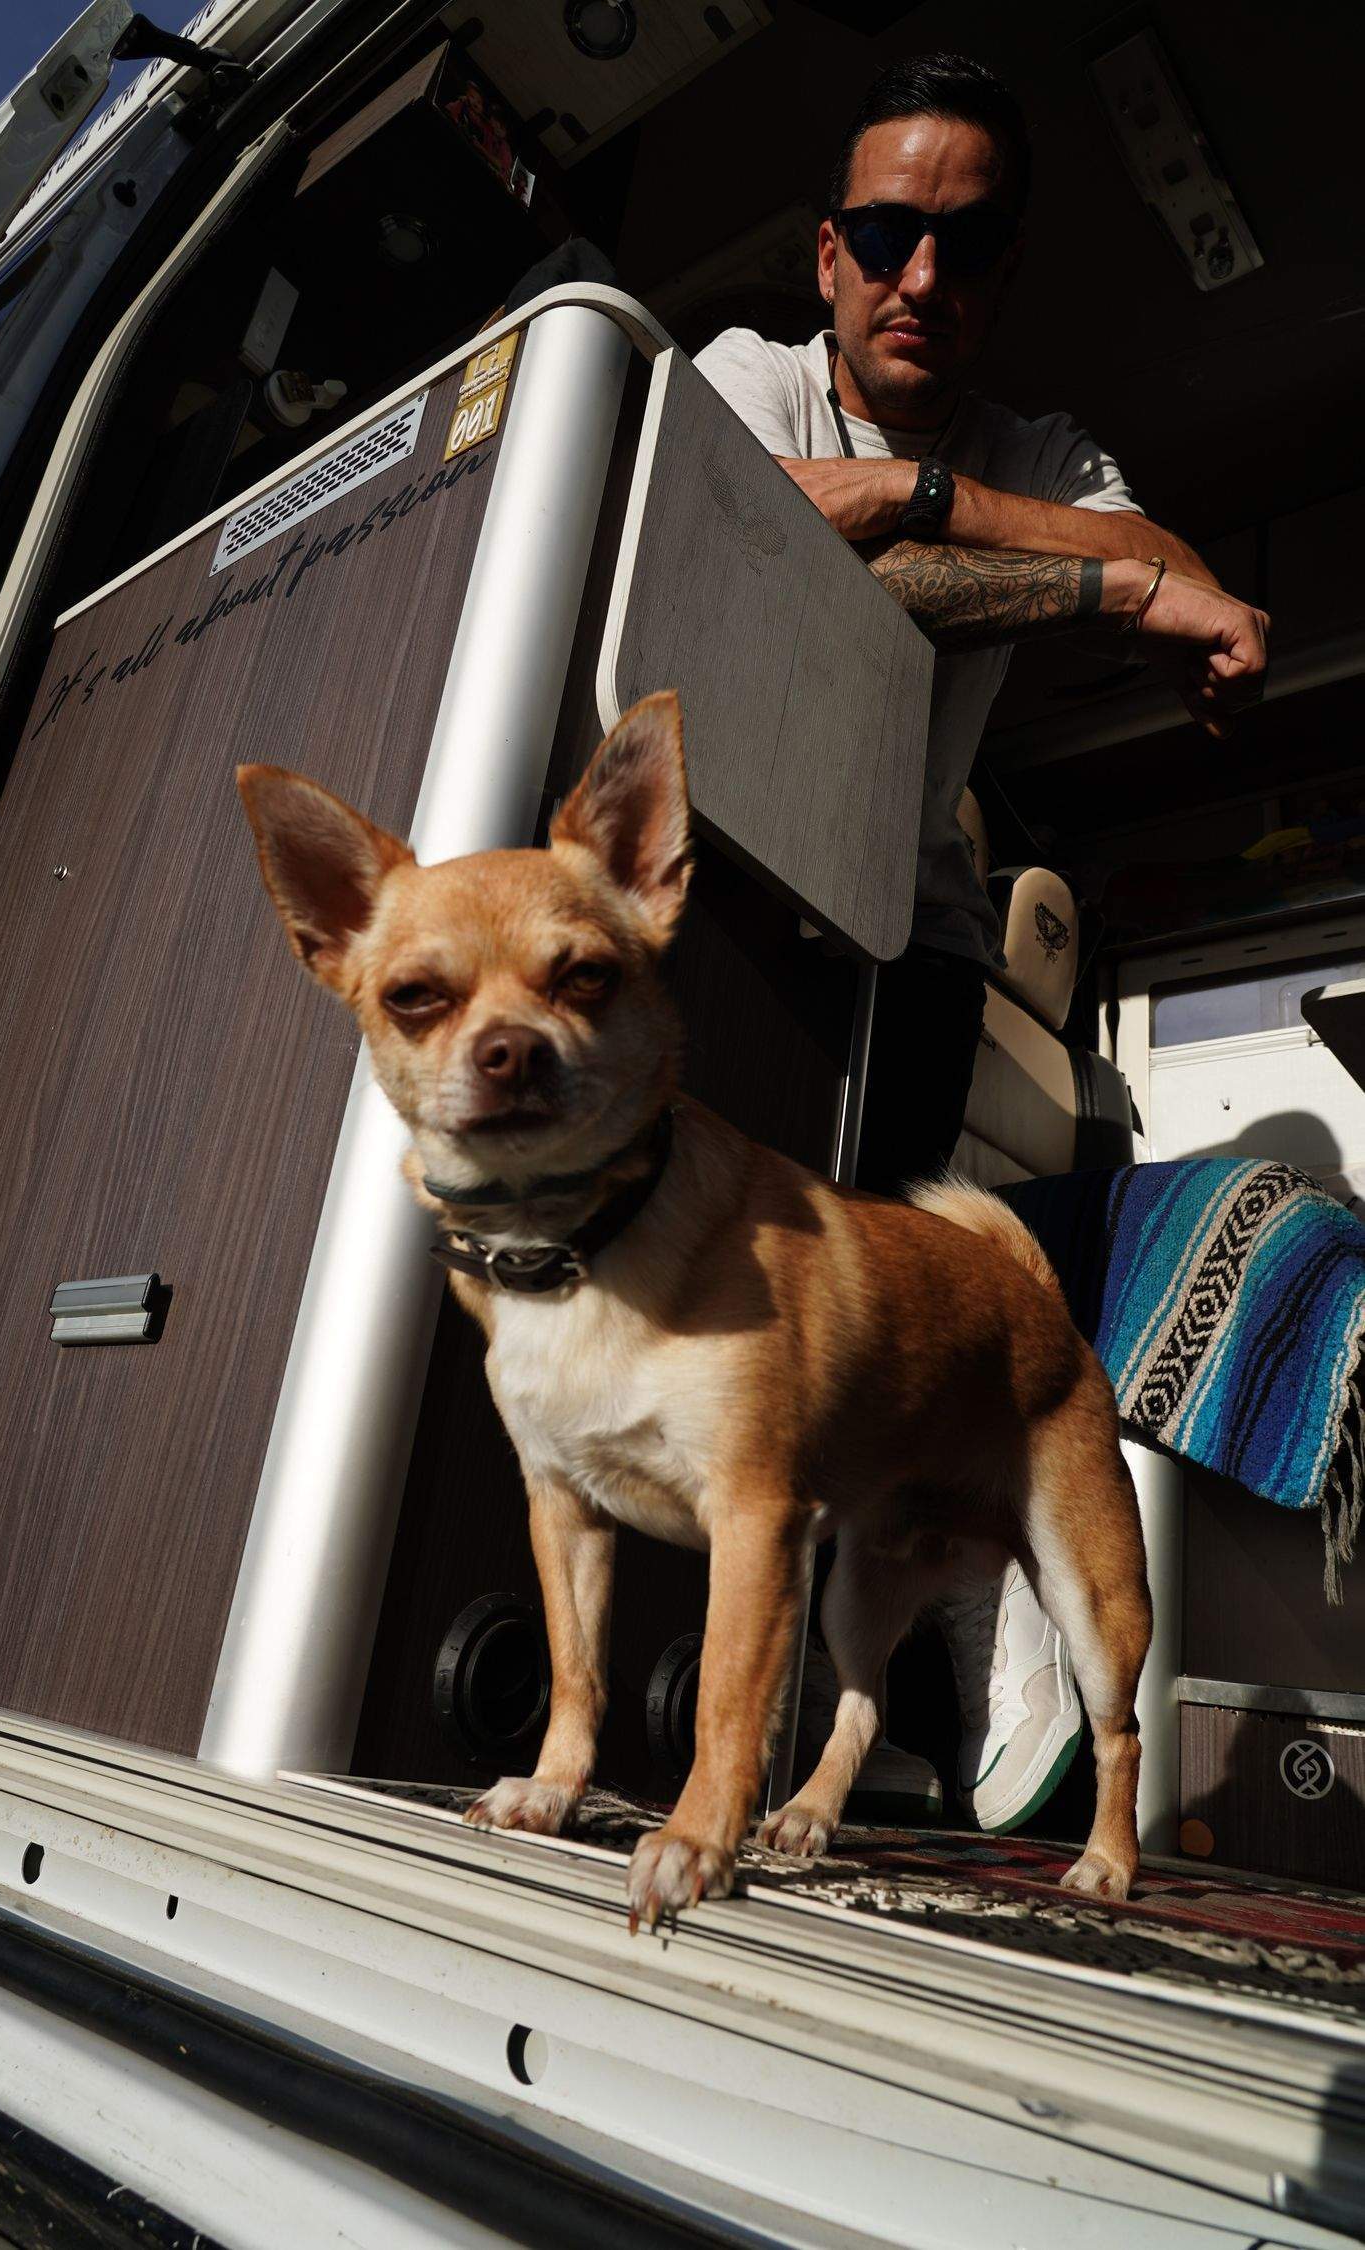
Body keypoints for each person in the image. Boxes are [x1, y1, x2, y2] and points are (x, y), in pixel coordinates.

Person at [696, 52, 1270, 1835]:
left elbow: (1170, 565)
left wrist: (933, 508)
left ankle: (905, 1644)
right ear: (828, 254)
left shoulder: (1039, 448)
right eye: (885, 235)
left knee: (847, 1335)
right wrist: (938, 517)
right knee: (707, 1318)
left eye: (966, 245)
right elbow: (781, 528)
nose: (921, 276)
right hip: (730, 903)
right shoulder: (749, 376)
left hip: (915, 946)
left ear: (1006, 274)